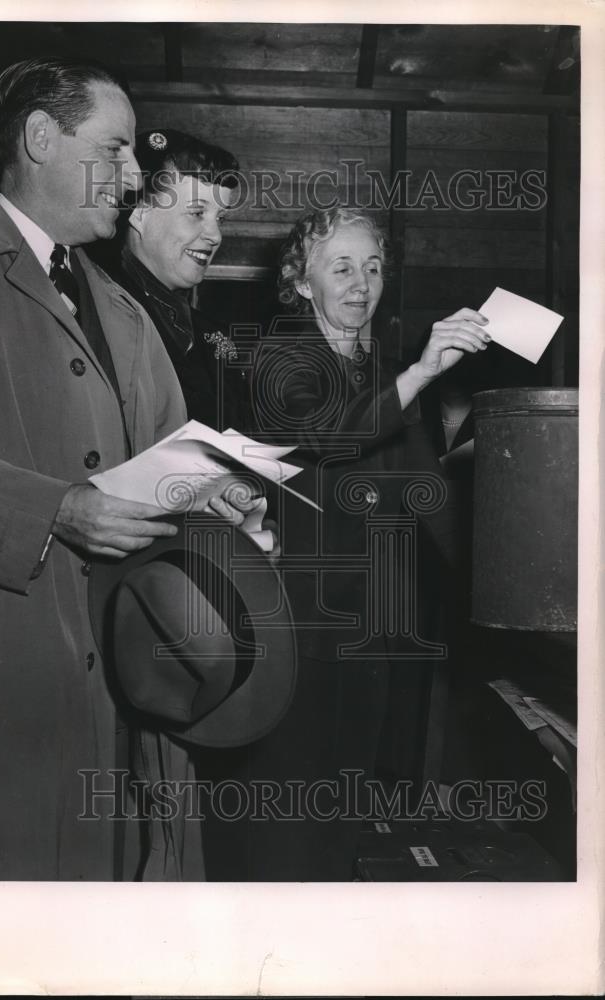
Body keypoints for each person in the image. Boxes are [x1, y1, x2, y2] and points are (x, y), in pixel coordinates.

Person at [0, 58, 234, 881]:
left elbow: (166, 455)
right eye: (117, 149)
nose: (134, 177)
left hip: (120, 667)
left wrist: (214, 494)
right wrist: (55, 510)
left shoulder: (122, 306)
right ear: (37, 138)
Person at [225, 206, 490, 880]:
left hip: (375, 626)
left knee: (346, 804)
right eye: (340, 266)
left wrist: (489, 590)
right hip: (298, 624)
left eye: (372, 267)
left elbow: (424, 489)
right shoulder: (276, 357)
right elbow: (330, 435)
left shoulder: (379, 369)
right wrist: (422, 373)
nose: (361, 281)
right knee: (285, 810)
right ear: (302, 283)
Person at [95, 127, 251, 432]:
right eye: (196, 213)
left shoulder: (211, 334)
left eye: (220, 219)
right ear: (140, 213)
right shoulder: (99, 310)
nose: (216, 235)